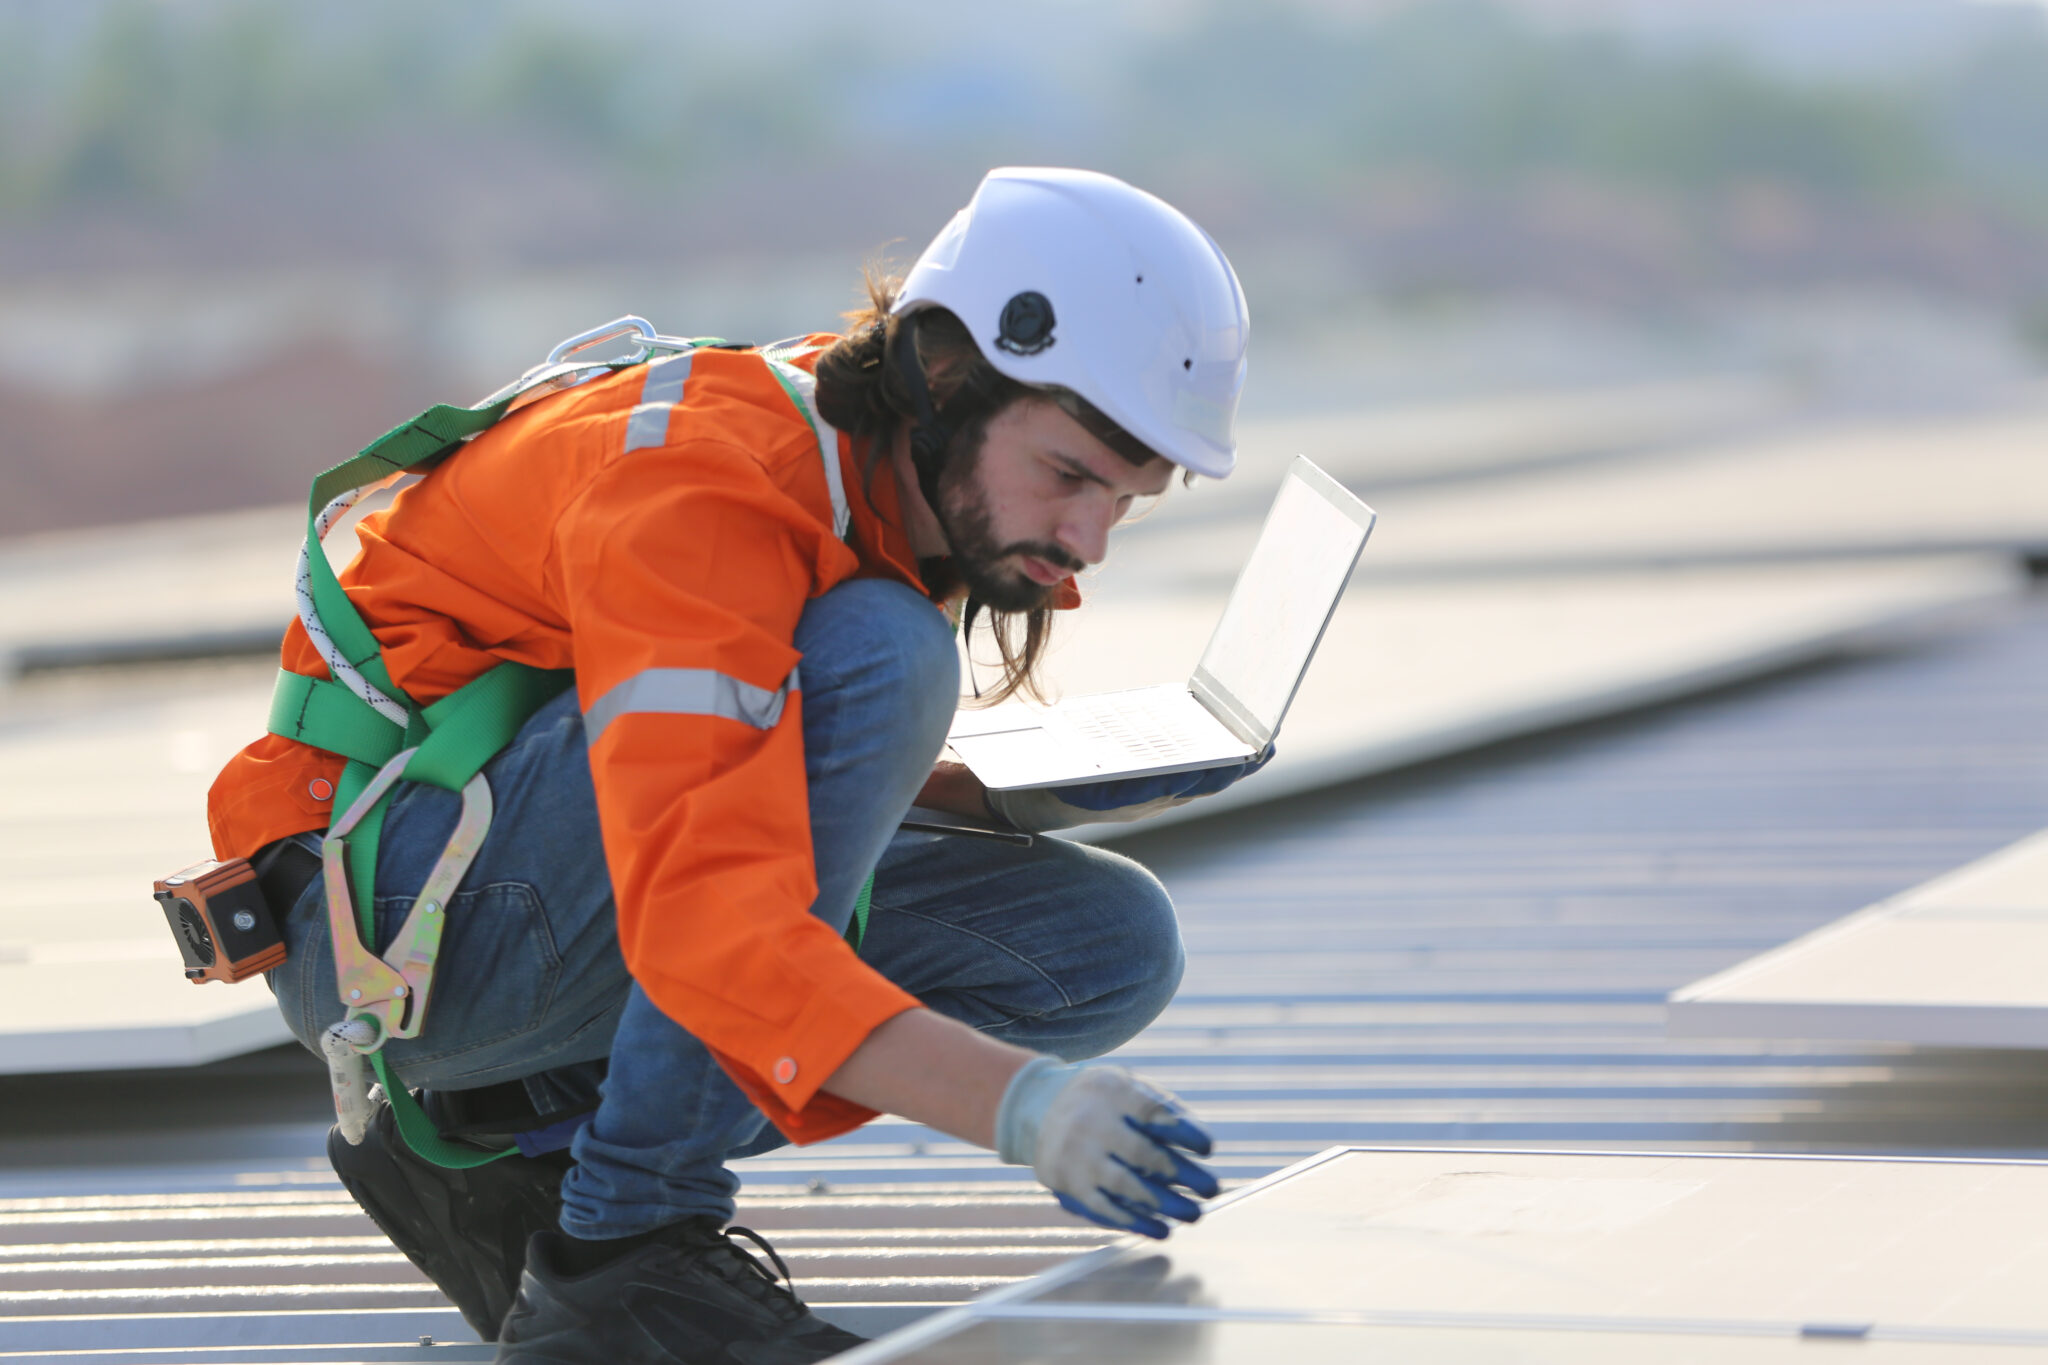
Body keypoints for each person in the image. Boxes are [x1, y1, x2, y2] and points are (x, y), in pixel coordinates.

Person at [208, 167, 1258, 1365]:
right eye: (1068, 475)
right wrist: (1019, 1108)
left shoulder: (866, 459)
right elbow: (704, 919)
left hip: (491, 875)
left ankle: (518, 1144)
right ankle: (619, 1259)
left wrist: (960, 792)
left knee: (1103, 945)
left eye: (1126, 500)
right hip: (389, 937)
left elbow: (716, 788)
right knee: (887, 652)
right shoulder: (699, 488)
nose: (1084, 543)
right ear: (943, 375)